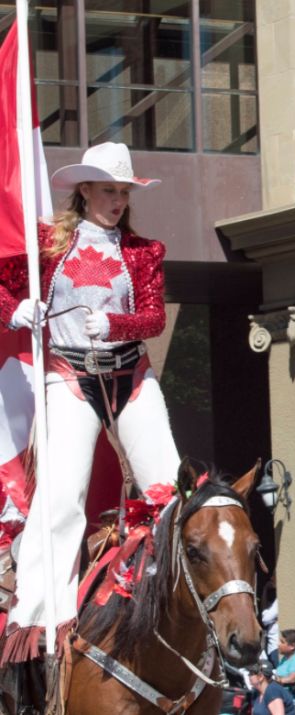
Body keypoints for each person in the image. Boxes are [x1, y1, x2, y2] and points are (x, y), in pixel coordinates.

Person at [0, 142, 180, 662]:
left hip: (131, 374)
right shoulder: (45, 246)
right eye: (109, 190)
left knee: (168, 492)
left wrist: (117, 324)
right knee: (60, 499)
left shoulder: (145, 251)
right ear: (84, 190)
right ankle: (37, 621)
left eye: (124, 191)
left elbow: (153, 319)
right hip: (69, 376)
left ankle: (170, 603)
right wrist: (16, 310)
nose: (118, 200)